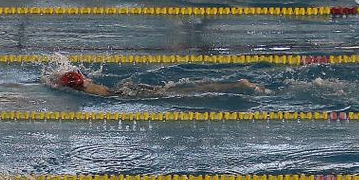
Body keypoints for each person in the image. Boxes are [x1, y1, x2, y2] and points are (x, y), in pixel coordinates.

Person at [48, 67, 265, 96]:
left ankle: (236, 85)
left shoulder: (88, 91)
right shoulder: (88, 84)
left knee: (181, 92)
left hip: (128, 95)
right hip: (127, 90)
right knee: (181, 89)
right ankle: (235, 84)